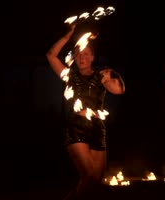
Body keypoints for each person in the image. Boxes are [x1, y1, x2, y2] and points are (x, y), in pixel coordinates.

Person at [46, 23, 125, 199]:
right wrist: (68, 35)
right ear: (75, 57)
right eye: (79, 54)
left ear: (92, 57)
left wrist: (114, 75)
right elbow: (51, 55)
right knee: (89, 177)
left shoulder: (101, 75)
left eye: (86, 54)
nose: (82, 57)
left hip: (98, 128)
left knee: (95, 181)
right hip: (77, 127)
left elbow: (119, 90)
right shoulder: (70, 75)